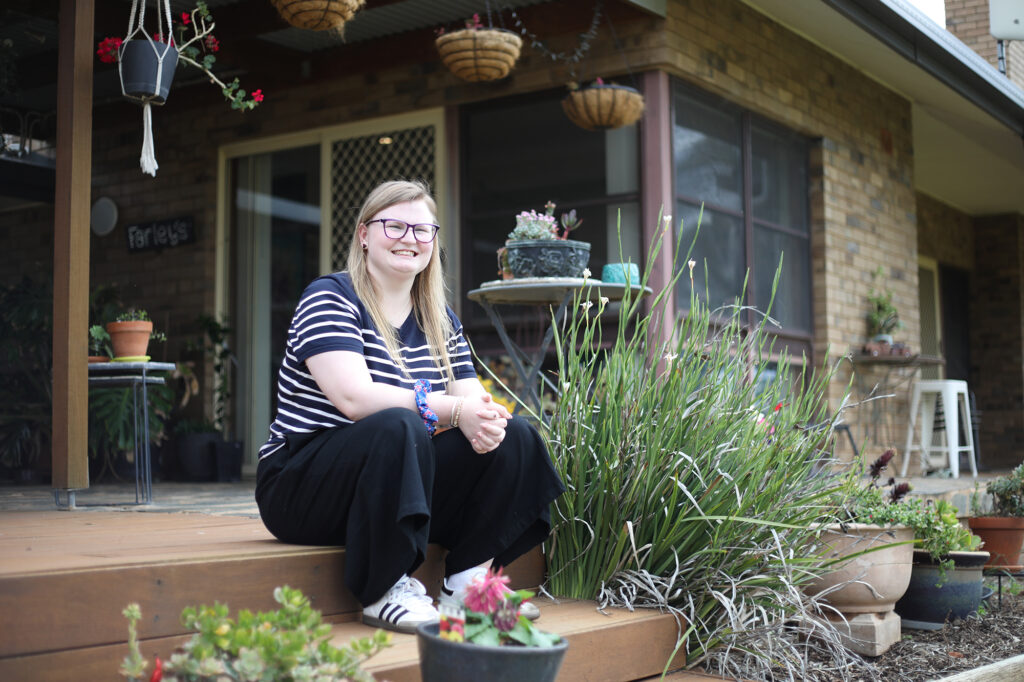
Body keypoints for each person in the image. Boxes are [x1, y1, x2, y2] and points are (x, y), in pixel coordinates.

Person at [255, 179, 565, 634]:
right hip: (301, 486)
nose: (410, 239)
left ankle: (467, 583)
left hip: (389, 483)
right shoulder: (331, 297)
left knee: (515, 435)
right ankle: (384, 588)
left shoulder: (439, 319)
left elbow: (469, 396)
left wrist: (486, 417)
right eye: (394, 225)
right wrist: (453, 411)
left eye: (422, 230)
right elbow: (353, 397)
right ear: (364, 233)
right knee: (398, 424)